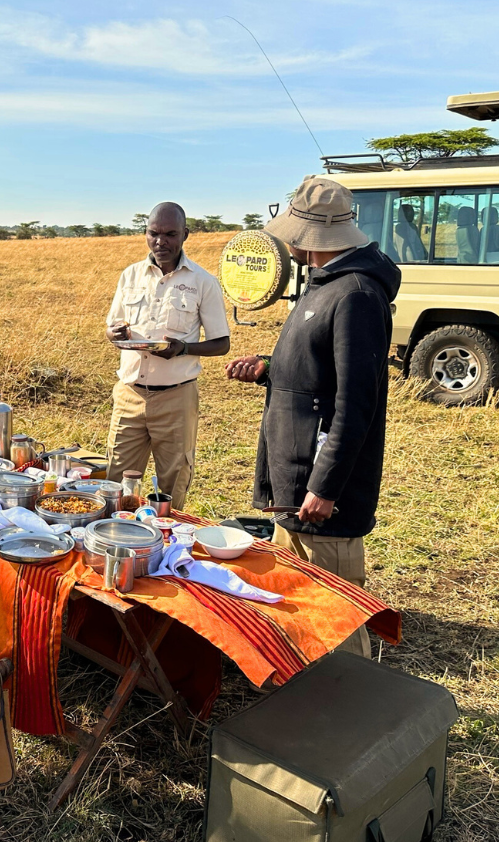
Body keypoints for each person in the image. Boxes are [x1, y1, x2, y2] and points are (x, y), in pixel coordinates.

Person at [225, 178, 401, 657]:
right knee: (296, 602)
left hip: (322, 493)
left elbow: (357, 402)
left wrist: (325, 487)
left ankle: (349, 708)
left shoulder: (357, 295)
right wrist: (269, 369)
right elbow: (319, 370)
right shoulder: (324, 284)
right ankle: (307, 698)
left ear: (309, 236)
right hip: (294, 480)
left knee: (336, 613)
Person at [105, 201, 230, 509]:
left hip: (176, 398)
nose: (161, 241)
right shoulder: (130, 276)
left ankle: (166, 549)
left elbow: (221, 343)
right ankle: (118, 545)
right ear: (146, 234)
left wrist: (183, 348)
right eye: (154, 233)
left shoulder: (202, 282)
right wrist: (114, 334)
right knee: (117, 480)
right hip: (129, 394)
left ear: (185, 234)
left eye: (170, 234)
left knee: (171, 487)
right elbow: (112, 326)